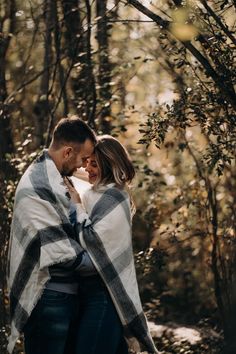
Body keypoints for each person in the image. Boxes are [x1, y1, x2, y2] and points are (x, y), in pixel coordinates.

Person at [7, 116, 96, 354]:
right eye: (82, 158)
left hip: (66, 297)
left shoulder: (59, 178)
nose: (83, 166)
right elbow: (59, 252)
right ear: (67, 152)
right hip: (49, 300)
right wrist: (100, 262)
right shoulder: (38, 184)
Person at [64, 135, 159, 354]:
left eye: (95, 163)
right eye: (87, 161)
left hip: (105, 296)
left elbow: (93, 240)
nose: (88, 168)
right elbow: (77, 173)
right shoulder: (95, 192)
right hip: (85, 294)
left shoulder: (115, 198)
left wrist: (77, 204)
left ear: (108, 166)